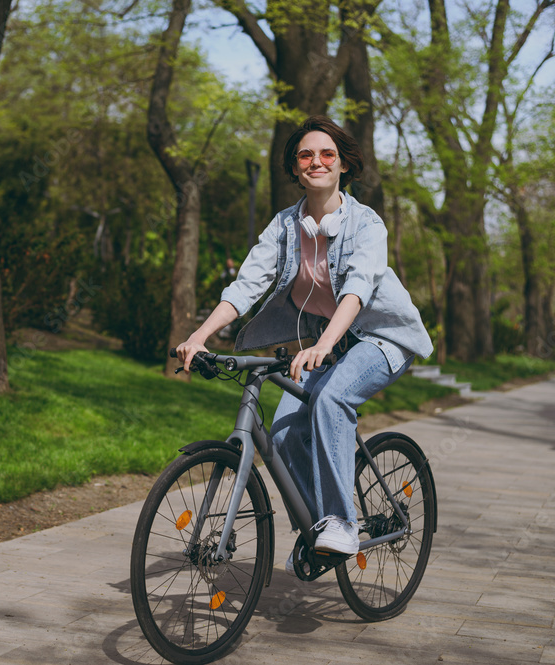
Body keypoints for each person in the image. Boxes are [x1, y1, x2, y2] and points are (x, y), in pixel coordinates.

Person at [175, 115, 432, 556]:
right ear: (295, 168)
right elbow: (246, 285)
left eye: (327, 154)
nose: (316, 161)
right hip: (324, 344)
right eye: (305, 155)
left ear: (344, 164)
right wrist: (198, 336)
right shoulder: (284, 226)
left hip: (379, 339)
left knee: (331, 400)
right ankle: (319, 532)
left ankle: (342, 524)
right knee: (280, 435)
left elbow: (356, 289)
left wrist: (325, 344)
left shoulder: (366, 224)